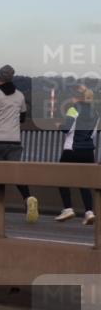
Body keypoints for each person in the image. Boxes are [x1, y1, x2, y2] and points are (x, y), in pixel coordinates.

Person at [0, 65, 38, 222]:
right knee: (15, 173)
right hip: (14, 140)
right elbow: (23, 117)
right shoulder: (19, 96)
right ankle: (27, 197)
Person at [54, 85, 98, 225]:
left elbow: (67, 128)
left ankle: (68, 208)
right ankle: (89, 212)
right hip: (88, 152)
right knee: (84, 183)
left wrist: (59, 125)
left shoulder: (73, 109)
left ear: (78, 98)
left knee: (61, 179)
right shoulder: (96, 113)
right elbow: (93, 134)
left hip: (72, 150)